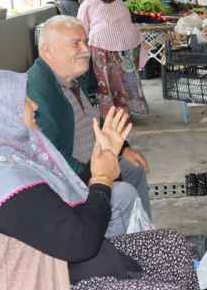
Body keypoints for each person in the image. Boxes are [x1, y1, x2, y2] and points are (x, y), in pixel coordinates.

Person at [0, 70, 198, 290]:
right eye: (23, 100)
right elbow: (81, 243)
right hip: (44, 279)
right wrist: (101, 179)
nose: (34, 105)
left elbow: (62, 203)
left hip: (55, 263)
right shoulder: (1, 180)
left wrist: (103, 159)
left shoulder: (3, 161)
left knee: (172, 245)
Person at [28, 15, 152, 220]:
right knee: (123, 193)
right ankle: (118, 246)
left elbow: (94, 119)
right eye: (75, 44)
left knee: (134, 168)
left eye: (85, 41)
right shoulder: (40, 92)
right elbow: (52, 159)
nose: (86, 50)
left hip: (92, 163)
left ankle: (143, 235)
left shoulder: (71, 78)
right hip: (72, 178)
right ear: (47, 50)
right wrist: (101, 176)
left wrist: (123, 148)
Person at [77, 0, 149, 119]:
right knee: (127, 78)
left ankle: (111, 115)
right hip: (130, 41)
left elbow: (81, 28)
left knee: (106, 80)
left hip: (103, 41)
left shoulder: (88, 3)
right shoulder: (119, 1)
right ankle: (126, 110)